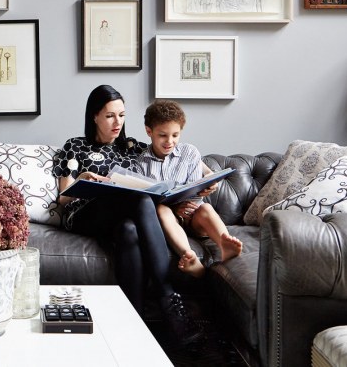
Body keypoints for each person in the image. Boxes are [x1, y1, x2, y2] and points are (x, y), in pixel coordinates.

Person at [52, 85, 201, 342]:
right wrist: (83, 179)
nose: (117, 122)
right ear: (94, 116)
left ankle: (134, 321)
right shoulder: (75, 146)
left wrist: (207, 179)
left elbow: (181, 157)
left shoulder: (132, 147)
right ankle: (168, 298)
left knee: (129, 230)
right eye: (110, 116)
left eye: (121, 115)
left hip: (123, 218)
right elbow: (62, 199)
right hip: (86, 214)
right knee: (141, 200)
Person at [139, 100, 243, 278]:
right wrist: (174, 209)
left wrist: (205, 185)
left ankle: (224, 244)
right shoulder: (142, 163)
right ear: (149, 131)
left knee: (206, 208)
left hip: (193, 216)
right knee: (161, 209)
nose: (169, 141)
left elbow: (194, 191)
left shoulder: (189, 153)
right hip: (167, 221)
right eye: (163, 135)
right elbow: (146, 202)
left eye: (175, 135)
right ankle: (189, 256)